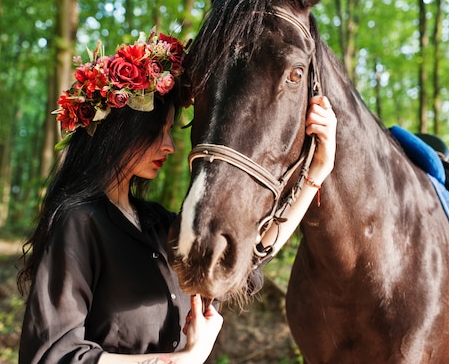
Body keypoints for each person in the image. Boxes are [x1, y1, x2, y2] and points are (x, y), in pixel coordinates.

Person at [17, 30, 337, 364]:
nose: (170, 145)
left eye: (170, 131)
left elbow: (251, 253)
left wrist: (317, 171)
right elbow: (54, 355)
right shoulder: (79, 222)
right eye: (158, 132)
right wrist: (184, 359)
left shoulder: (158, 225)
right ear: (118, 132)